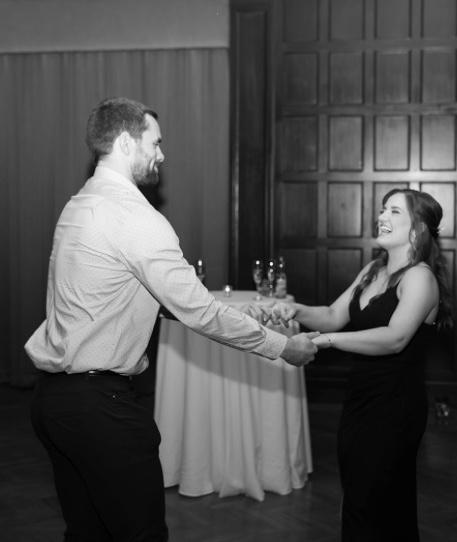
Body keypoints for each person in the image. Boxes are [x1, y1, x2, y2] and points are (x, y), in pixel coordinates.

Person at [24, 97, 318, 542]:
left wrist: (239, 312)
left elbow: (107, 294)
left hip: (54, 403)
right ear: (126, 143)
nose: (161, 154)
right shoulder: (137, 217)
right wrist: (283, 346)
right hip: (100, 411)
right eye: (155, 143)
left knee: (87, 532)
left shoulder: (79, 204)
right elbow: (200, 311)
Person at [270, 188, 452, 541]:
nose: (382, 217)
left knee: (381, 503)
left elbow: (395, 338)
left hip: (396, 407)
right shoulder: (373, 270)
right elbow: (332, 315)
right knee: (358, 496)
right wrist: (295, 310)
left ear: (418, 229)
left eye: (394, 211)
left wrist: (328, 341)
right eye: (383, 209)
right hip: (360, 399)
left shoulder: (420, 277)